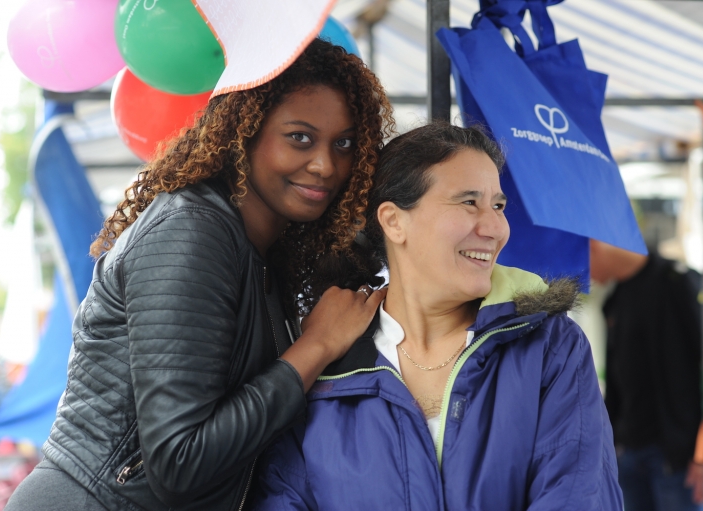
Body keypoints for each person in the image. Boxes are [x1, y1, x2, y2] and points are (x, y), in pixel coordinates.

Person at [5, 38, 393, 511]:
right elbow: (179, 461)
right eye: (300, 137)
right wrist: (316, 346)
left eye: (345, 143)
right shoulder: (193, 231)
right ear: (244, 133)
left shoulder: (266, 249)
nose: (325, 165)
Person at [252, 122, 623, 510]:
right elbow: (283, 497)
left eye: (498, 205)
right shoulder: (329, 363)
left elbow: (579, 496)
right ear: (394, 221)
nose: (496, 228)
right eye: (468, 202)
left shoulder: (550, 348)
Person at [589, 240, 703, 511]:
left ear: (593, 246)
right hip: (629, 453)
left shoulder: (677, 282)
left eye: (582, 264)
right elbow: (618, 384)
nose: (587, 276)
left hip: (676, 458)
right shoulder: (614, 300)